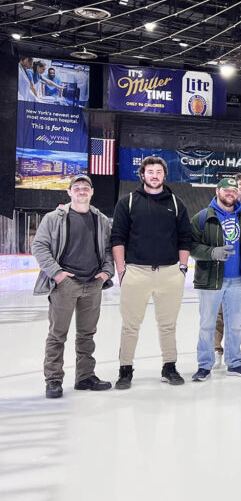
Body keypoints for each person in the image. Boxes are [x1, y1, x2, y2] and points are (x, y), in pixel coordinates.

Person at [111, 156, 192, 389]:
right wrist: (121, 270)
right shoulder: (127, 202)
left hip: (169, 273)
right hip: (136, 272)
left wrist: (182, 269)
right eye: (150, 171)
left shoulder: (177, 204)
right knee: (130, 325)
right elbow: (117, 237)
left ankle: (169, 366)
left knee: (168, 325)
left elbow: (185, 238)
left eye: (158, 171)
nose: (154, 175)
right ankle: (125, 370)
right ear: (143, 175)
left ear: (164, 175)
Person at [31, 175, 114, 399]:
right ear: (69, 192)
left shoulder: (101, 219)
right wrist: (57, 274)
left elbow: (108, 249)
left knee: (87, 335)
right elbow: (39, 246)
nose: (81, 191)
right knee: (58, 335)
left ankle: (85, 377)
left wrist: (106, 273)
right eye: (76, 188)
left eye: (85, 187)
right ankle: (54, 380)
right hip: (65, 286)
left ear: (92, 192)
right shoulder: (54, 218)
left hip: (93, 284)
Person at [190, 178, 241, 382]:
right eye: (226, 190)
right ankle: (204, 365)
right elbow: (191, 246)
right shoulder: (202, 217)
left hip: (239, 280)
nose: (231, 193)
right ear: (218, 191)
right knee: (207, 324)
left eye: (234, 190)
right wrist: (212, 252)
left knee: (235, 324)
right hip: (212, 280)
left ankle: (234, 362)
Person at [213, 173, 241, 367]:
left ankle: (234, 354)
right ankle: (215, 350)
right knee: (219, 314)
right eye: (240, 184)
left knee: (238, 317)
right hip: (221, 273)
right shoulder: (219, 208)